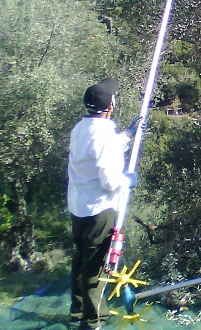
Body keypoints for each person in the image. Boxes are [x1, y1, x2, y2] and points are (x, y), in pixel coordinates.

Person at [68, 78, 137, 330]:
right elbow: (109, 180)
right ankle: (93, 321)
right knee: (95, 268)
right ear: (110, 105)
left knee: (80, 260)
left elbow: (100, 150)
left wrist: (127, 135)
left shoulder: (81, 129)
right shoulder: (103, 135)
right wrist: (127, 181)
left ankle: (77, 310)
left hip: (78, 207)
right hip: (99, 209)